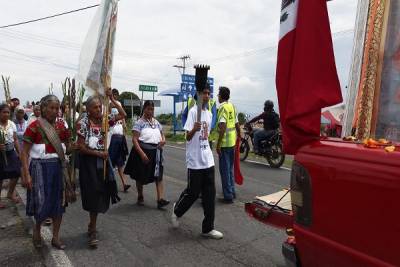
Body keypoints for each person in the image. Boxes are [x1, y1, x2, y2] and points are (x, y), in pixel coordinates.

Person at [20, 95, 73, 250]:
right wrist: (26, 174)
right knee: (41, 203)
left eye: (57, 108)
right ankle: (37, 231)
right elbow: (24, 153)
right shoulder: (34, 126)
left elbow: (67, 149)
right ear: (43, 108)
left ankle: (55, 237)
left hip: (58, 168)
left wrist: (73, 146)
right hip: (39, 169)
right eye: (51, 108)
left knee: (59, 204)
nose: (55, 111)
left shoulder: (63, 127)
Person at [171, 87, 223, 239]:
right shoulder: (193, 111)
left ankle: (208, 228)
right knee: (193, 193)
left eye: (208, 93)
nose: (207, 96)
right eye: (204, 93)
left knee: (209, 194)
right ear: (198, 96)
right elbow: (187, 137)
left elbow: (206, 136)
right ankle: (177, 211)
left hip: (207, 159)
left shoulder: (209, 113)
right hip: (195, 160)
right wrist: (194, 129)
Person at [76, 90, 124, 248]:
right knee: (93, 193)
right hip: (89, 163)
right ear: (88, 110)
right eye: (95, 107)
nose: (99, 110)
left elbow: (122, 114)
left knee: (101, 192)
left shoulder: (105, 121)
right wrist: (97, 153)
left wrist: (111, 99)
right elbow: (81, 147)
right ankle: (93, 229)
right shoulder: (83, 124)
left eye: (100, 107)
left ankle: (92, 225)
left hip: (103, 162)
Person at [124, 100, 169, 209]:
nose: (150, 111)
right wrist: (142, 154)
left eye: (152, 109)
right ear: (144, 109)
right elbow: (135, 140)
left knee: (159, 176)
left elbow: (162, 135)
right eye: (148, 109)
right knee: (140, 176)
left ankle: (160, 199)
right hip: (143, 151)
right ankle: (140, 195)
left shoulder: (156, 122)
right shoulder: (139, 123)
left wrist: (163, 140)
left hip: (156, 152)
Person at [215, 87, 241, 204]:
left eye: (218, 94)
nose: (217, 96)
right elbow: (237, 123)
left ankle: (228, 196)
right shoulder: (232, 106)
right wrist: (239, 135)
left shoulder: (222, 108)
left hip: (225, 143)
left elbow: (222, 126)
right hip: (232, 142)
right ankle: (232, 191)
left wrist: (218, 144)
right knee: (230, 169)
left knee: (225, 170)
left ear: (221, 96)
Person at [108, 89, 130, 192]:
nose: (115, 96)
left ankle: (124, 183)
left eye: (116, 95)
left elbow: (123, 116)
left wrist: (125, 127)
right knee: (110, 161)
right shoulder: (106, 102)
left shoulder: (118, 104)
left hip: (120, 135)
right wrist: (110, 101)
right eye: (113, 95)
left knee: (120, 161)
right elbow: (108, 113)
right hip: (111, 135)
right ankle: (108, 184)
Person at [0, 104, 22, 209]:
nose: (6, 114)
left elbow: (15, 139)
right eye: (4, 112)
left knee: (17, 171)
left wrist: (20, 153)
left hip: (11, 151)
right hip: (1, 153)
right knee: (0, 176)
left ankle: (10, 193)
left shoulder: (12, 124)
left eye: (8, 112)